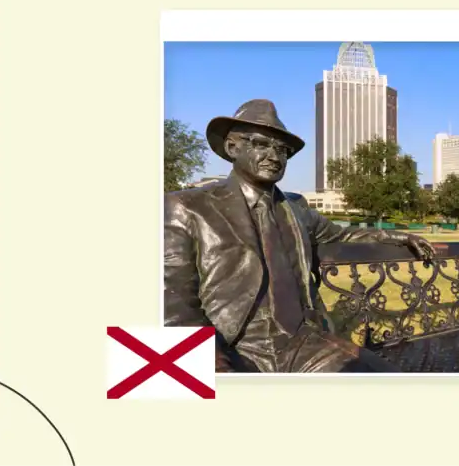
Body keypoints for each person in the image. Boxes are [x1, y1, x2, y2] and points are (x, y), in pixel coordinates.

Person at [163, 99, 437, 372]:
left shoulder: (296, 208)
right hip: (234, 348)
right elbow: (174, 305)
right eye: (261, 144)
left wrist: (395, 238)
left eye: (283, 150)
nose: (274, 155)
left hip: (304, 344)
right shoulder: (186, 207)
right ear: (233, 147)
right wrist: (215, 366)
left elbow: (341, 236)